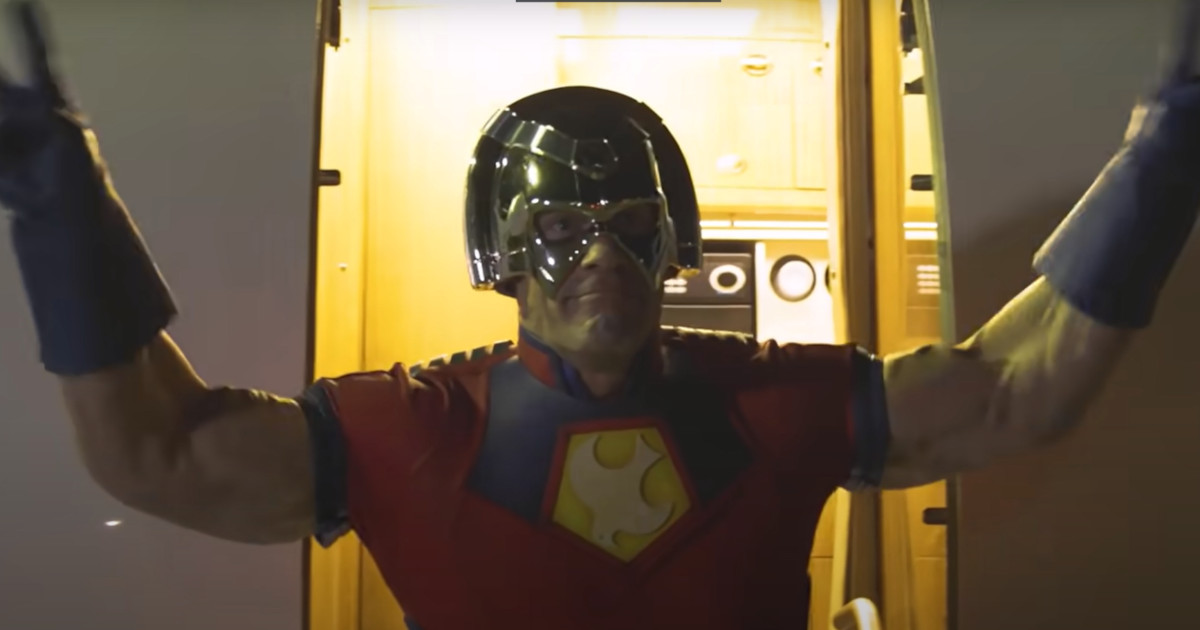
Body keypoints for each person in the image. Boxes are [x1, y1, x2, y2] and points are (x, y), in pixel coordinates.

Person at [4, 0, 1199, 627]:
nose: (602, 260)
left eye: (630, 226)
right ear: (502, 253)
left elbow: (1013, 394)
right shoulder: (405, 430)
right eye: (561, 232)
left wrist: (1165, 161)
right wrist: (61, 203)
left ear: (672, 240)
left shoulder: (782, 401)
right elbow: (156, 453)